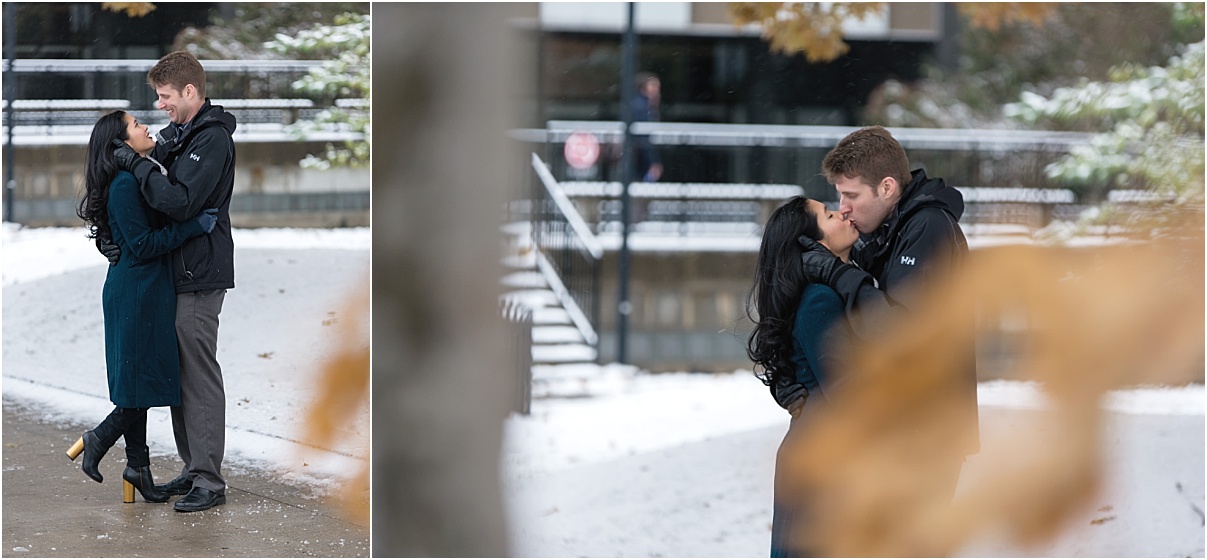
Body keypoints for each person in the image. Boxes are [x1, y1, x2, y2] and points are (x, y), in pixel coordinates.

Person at [797, 125, 980, 499]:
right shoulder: (888, 230)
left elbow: (899, 330)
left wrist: (839, 273)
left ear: (886, 187)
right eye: (839, 196)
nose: (843, 207)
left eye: (851, 195)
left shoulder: (927, 228)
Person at [105, 50, 238, 513]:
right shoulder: (179, 136)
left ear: (189, 91)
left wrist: (139, 165)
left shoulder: (211, 138)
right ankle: (194, 467)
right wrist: (112, 236)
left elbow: (179, 202)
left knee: (198, 375)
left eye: (164, 97)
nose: (159, 106)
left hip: (200, 273)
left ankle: (209, 480)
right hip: (176, 272)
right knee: (182, 375)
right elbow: (138, 186)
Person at [69, 110, 217, 504]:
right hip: (137, 292)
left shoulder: (138, 173)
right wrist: (192, 226)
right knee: (145, 385)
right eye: (136, 125)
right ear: (120, 144)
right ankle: (98, 438)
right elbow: (144, 245)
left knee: (140, 380)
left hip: (145, 291)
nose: (146, 126)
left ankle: (139, 468)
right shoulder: (123, 185)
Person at [746, 196, 861, 557]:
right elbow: (849, 393)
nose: (843, 212)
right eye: (829, 215)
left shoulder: (829, 291)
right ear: (812, 243)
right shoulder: (819, 301)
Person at [631, 71, 662, 182]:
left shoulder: (643, 106)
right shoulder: (641, 108)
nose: (656, 90)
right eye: (653, 86)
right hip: (638, 159)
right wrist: (652, 162)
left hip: (637, 158)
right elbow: (644, 139)